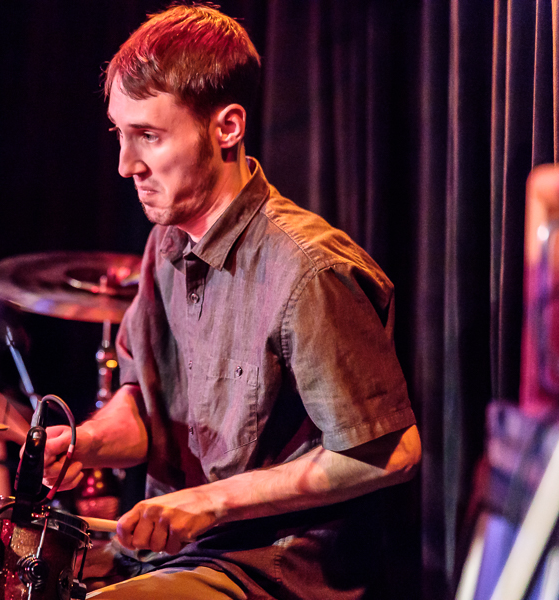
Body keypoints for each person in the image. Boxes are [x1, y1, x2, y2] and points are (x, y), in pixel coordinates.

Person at [43, 5, 421, 599]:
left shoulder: (309, 269)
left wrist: (212, 500)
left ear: (227, 127)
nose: (125, 164)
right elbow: (145, 404)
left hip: (269, 570)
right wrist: (86, 443)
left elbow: (392, 452)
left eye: (149, 135)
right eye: (120, 133)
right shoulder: (165, 243)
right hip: (173, 555)